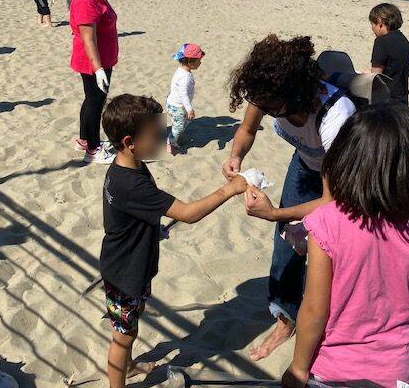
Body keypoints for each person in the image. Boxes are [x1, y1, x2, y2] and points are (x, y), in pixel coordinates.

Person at [270, 105, 409, 388]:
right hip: (394, 370)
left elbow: (315, 310)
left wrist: (298, 369)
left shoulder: (327, 221)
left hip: (333, 367)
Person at [100, 93, 248, 388]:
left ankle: (128, 365)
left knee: (130, 326)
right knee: (123, 336)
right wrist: (229, 190)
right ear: (130, 142)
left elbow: (133, 215)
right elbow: (188, 213)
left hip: (129, 266)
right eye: (156, 135)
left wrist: (152, 228)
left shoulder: (127, 167)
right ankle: (119, 379)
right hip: (125, 274)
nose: (162, 138)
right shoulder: (130, 183)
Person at [222, 34, 355, 360]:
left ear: (294, 96)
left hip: (344, 181)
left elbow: (331, 201)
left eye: (269, 108)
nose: (263, 112)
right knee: (286, 245)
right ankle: (285, 319)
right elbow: (247, 131)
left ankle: (332, 327)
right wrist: (236, 156)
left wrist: (274, 214)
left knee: (330, 253)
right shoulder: (269, 92)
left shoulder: (336, 116)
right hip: (306, 164)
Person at [70, 0, 118, 164]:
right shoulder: (85, 0)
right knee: (95, 102)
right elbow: (88, 39)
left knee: (92, 100)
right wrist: (98, 69)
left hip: (102, 59)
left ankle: (83, 139)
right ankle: (92, 148)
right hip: (93, 62)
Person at [369, 2, 409, 104]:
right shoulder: (403, 39)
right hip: (402, 97)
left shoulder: (381, 41)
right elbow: (394, 68)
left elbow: (376, 77)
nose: (372, 29)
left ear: (379, 22)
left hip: (386, 99)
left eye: (372, 24)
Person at [166, 43, 205, 154]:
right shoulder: (185, 78)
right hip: (177, 106)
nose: (200, 63)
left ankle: (177, 135)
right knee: (179, 126)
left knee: (183, 122)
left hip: (175, 104)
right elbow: (183, 95)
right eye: (198, 60)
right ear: (190, 62)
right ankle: (170, 142)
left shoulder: (182, 71)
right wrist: (189, 109)